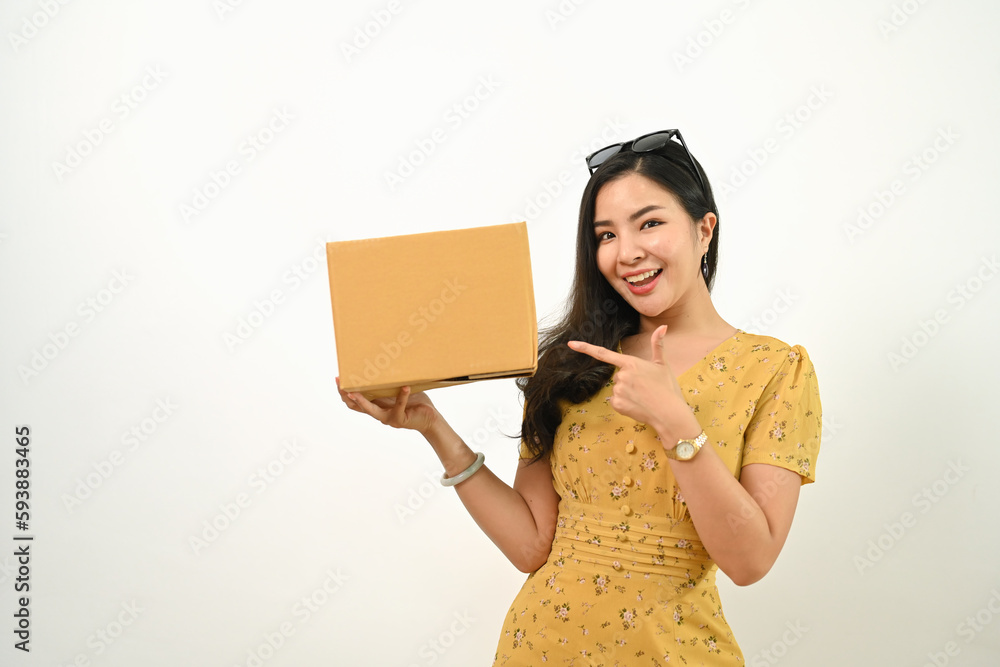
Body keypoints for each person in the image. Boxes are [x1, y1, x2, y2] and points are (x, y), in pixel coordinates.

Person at [336, 129, 822, 665]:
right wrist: (433, 426)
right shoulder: (572, 364)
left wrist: (676, 423)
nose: (627, 252)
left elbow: (749, 561)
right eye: (605, 235)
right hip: (540, 646)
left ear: (704, 229)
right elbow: (530, 546)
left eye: (650, 223)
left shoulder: (776, 370)